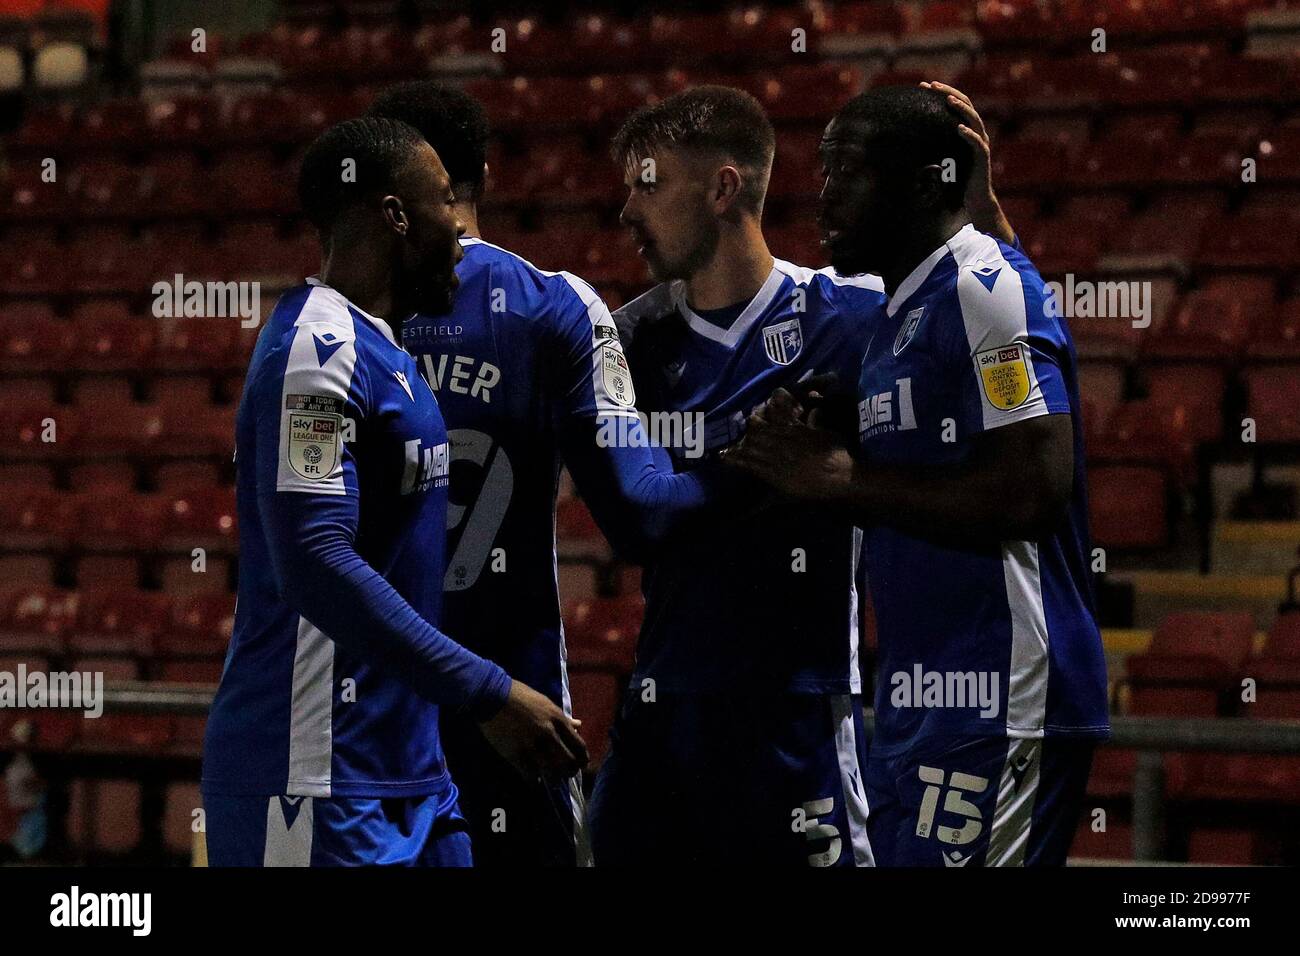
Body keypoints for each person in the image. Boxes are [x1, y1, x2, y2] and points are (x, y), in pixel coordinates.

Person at [589, 84, 1015, 866]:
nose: (626, 210)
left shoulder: (850, 313)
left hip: (796, 711)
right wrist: (762, 468)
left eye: (647, 182)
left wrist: (985, 218)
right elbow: (636, 522)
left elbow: (1007, 340)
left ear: (723, 187)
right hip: (659, 704)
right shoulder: (627, 340)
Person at [724, 86, 1109, 866]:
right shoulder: (905, 310)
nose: (823, 193)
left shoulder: (981, 289)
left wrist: (840, 479)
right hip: (919, 693)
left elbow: (1034, 487)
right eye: (823, 170)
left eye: (849, 170)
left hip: (1004, 687)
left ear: (927, 180)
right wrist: (834, 424)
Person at [201, 117, 586, 867]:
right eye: (445, 200)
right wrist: (486, 691)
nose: (461, 222)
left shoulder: (388, 347)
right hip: (311, 776)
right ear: (395, 215)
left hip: (414, 775)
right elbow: (313, 560)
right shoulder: (316, 352)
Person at [366, 82, 723, 867]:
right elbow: (641, 513)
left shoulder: (325, 326)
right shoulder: (554, 306)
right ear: (482, 176)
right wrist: (749, 465)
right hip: (511, 710)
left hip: (364, 717)